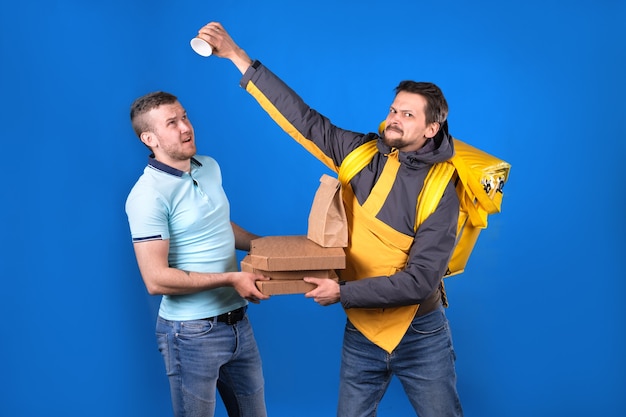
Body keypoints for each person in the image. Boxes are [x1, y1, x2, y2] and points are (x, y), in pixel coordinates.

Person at [195, 22, 464, 417]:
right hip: (362, 329)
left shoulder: (443, 189)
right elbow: (303, 120)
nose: (394, 118)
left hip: (420, 332)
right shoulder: (359, 152)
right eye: (393, 109)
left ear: (431, 128)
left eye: (408, 114)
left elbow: (420, 280)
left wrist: (343, 294)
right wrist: (238, 57)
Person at [125, 90, 270, 417]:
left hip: (238, 324)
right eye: (172, 123)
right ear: (150, 138)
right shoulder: (147, 195)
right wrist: (232, 278)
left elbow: (218, 225)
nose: (185, 127)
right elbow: (155, 279)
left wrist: (276, 249)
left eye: (185, 117)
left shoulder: (209, 167)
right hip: (190, 334)